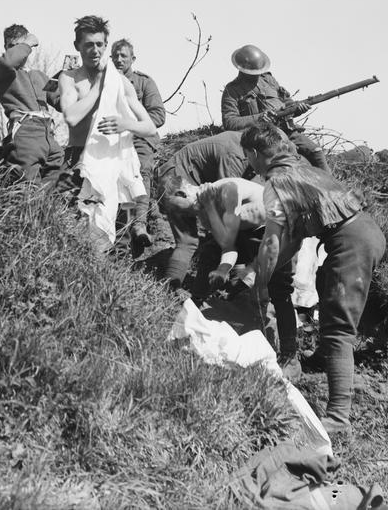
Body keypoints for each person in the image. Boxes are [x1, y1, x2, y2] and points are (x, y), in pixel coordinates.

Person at [240, 122, 386, 433]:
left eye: (247, 157)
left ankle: (338, 417)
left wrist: (259, 279)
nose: (248, 163)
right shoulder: (303, 169)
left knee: (338, 327)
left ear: (254, 153)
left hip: (352, 242)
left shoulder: (276, 184)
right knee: (325, 282)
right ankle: (323, 358)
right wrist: (263, 270)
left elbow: (273, 243)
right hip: (365, 230)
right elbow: (294, 240)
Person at [164, 175, 300, 379]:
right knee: (210, 253)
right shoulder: (204, 212)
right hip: (249, 235)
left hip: (278, 232)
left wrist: (250, 272)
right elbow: (229, 247)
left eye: (178, 208)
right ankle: (194, 312)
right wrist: (222, 269)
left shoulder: (225, 190)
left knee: (278, 290)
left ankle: (290, 356)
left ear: (182, 193)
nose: (181, 214)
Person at [58, 16, 157, 189]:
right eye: (89, 45)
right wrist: (98, 85)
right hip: (78, 157)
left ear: (105, 46)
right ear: (77, 46)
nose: (95, 50)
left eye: (99, 44)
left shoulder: (119, 81)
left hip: (110, 159)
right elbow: (71, 117)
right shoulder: (69, 78)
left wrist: (126, 124)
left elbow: (150, 128)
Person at [156, 130, 254, 290]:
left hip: (182, 180)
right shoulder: (235, 155)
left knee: (192, 240)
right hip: (177, 181)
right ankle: (170, 289)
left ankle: (172, 289)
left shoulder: (243, 148)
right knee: (188, 240)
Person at [221, 44, 331, 172]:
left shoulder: (269, 80)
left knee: (316, 152)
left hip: (287, 131)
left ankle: (330, 184)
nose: (257, 74)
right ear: (242, 70)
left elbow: (286, 103)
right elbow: (229, 122)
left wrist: (298, 109)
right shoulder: (232, 90)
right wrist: (259, 118)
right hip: (262, 137)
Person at [0, 24, 64, 183]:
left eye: (20, 45)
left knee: (56, 180)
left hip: (48, 135)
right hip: (25, 133)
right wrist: (27, 43)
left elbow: (58, 101)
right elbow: (9, 61)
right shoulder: (1, 69)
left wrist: (67, 78)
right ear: (5, 47)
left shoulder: (39, 75)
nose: (17, 50)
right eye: (12, 46)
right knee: (26, 186)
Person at [110, 39, 166, 248]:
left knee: (141, 171)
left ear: (132, 59)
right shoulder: (104, 83)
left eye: (123, 56)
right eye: (115, 56)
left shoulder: (144, 82)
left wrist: (131, 125)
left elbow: (158, 115)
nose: (119, 60)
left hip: (139, 138)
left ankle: (139, 225)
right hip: (112, 139)